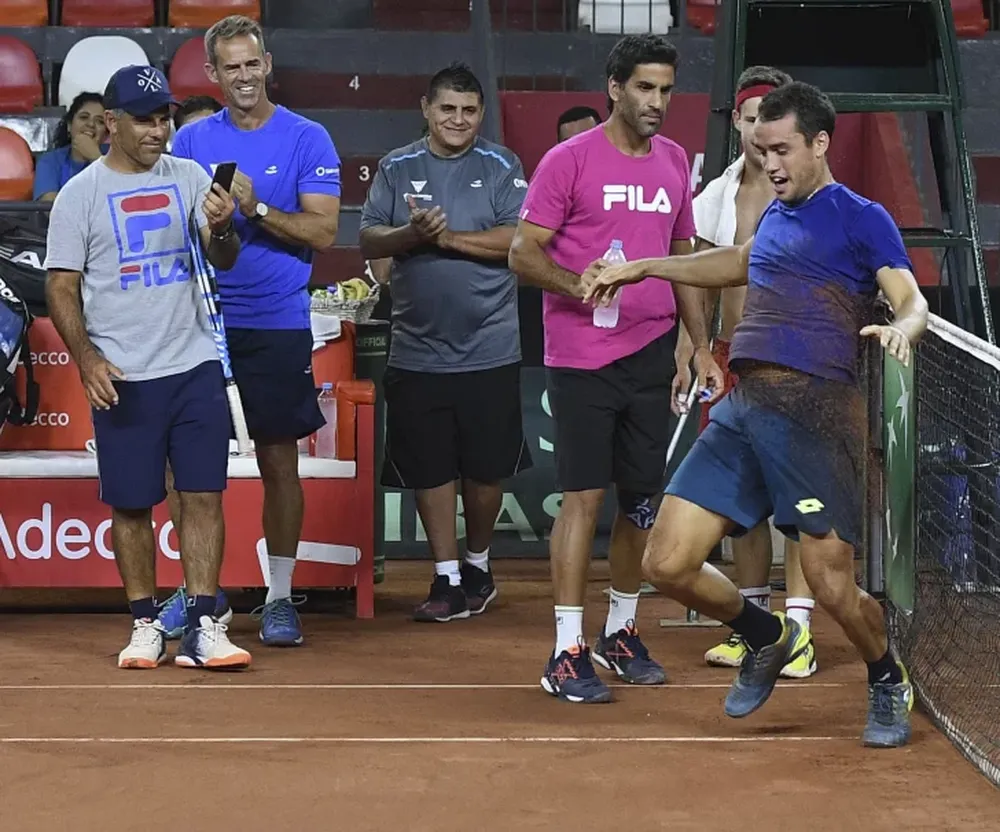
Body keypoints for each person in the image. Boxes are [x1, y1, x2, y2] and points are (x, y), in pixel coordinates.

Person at [585, 81, 927, 747]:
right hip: (746, 409)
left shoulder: (861, 216)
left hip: (817, 417)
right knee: (668, 562)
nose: (769, 163)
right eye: (760, 149)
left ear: (820, 144)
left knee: (833, 587)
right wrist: (647, 268)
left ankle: (886, 676)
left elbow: (909, 298)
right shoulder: (774, 213)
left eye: (781, 150)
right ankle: (766, 633)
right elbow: (741, 261)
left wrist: (902, 332)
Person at [509, 34, 723, 704]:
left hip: (652, 355)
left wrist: (700, 343)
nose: (657, 102)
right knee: (584, 500)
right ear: (614, 87)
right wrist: (578, 287)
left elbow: (685, 259)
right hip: (581, 360)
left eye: (665, 90)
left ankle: (621, 633)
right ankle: (566, 649)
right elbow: (522, 253)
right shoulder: (568, 161)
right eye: (644, 88)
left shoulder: (670, 165)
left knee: (640, 501)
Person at [43, 65, 251, 670]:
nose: (159, 129)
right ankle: (144, 623)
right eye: (145, 119)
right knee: (132, 505)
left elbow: (225, 259)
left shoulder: (189, 178)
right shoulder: (81, 194)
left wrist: (222, 228)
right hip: (125, 372)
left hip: (193, 363)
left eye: (163, 118)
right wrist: (86, 358)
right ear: (111, 123)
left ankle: (205, 621)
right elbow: (61, 286)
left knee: (204, 495)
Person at [165, 14, 343, 647]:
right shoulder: (189, 144)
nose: (243, 76)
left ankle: (279, 595)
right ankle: (196, 596)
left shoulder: (307, 137)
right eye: (229, 66)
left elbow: (323, 232)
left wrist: (254, 208)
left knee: (277, 462)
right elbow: (192, 238)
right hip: (200, 324)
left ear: (267, 64)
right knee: (190, 467)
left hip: (276, 322)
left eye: (252, 63)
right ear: (212, 74)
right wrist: (216, 227)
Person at [359, 62, 532, 622]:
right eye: (447, 109)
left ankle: (479, 563)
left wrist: (445, 237)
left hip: (491, 346)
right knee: (430, 469)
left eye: (469, 110)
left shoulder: (502, 165)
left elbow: (518, 240)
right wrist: (410, 235)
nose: (458, 119)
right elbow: (368, 235)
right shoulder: (396, 166)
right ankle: (446, 577)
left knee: (485, 472)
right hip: (417, 348)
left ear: (481, 114)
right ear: (426, 110)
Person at [674, 66, 818, 679]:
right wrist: (693, 351)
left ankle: (802, 631)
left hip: (797, 362)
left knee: (802, 502)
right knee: (743, 504)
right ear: (737, 122)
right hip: (731, 360)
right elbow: (696, 282)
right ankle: (753, 625)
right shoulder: (715, 195)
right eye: (751, 115)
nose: (761, 127)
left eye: (771, 115)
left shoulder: (813, 192)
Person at [34, 92, 107, 202]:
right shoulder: (50, 161)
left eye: (100, 121)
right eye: (84, 117)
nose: (91, 124)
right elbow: (51, 209)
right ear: (69, 125)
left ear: (106, 134)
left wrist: (96, 158)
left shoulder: (118, 159)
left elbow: (121, 199)